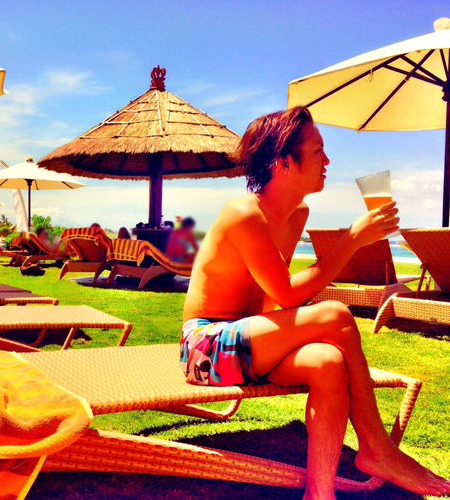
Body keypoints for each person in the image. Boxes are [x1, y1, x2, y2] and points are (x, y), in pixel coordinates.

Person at [181, 106, 450, 499]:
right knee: (336, 314)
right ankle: (377, 447)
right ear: (284, 162)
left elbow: (277, 295)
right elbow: (288, 294)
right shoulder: (243, 214)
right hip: (205, 348)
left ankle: (319, 493)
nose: (327, 160)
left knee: (327, 362)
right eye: (318, 150)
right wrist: (351, 240)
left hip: (252, 345)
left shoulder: (296, 214)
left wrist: (301, 332)